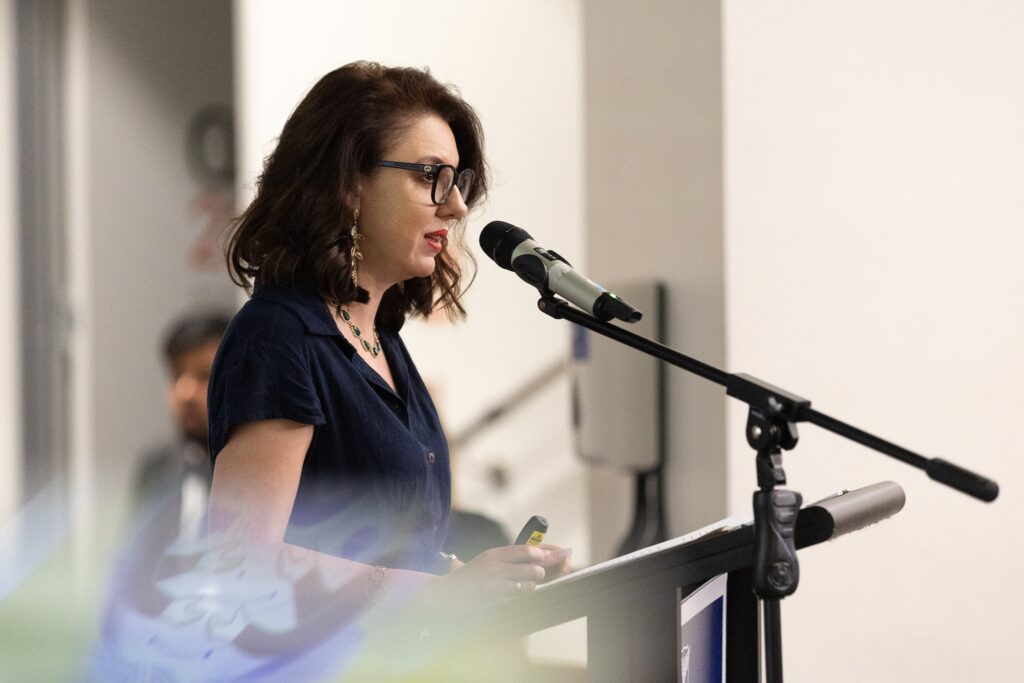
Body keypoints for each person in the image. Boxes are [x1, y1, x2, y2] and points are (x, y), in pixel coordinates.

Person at [205, 61, 571, 675]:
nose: (456, 207)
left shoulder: (380, 338)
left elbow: (383, 550)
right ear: (347, 184)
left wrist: (481, 577)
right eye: (431, 176)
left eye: (458, 181)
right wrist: (440, 593)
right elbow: (241, 561)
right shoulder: (280, 338)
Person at [132, 311, 231, 540]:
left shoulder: (266, 470)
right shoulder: (157, 467)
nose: (184, 393)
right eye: (176, 375)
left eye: (205, 376)